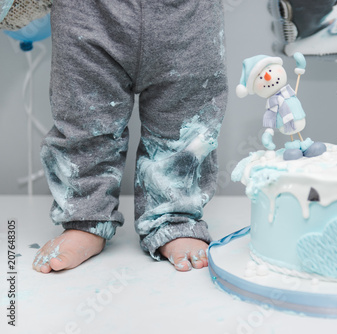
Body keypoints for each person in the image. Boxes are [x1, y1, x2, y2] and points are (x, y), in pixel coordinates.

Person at [30, 0, 227, 273]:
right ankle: (86, 217)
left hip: (188, 11)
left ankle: (174, 217)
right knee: (84, 118)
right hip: (86, 10)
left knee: (184, 123)